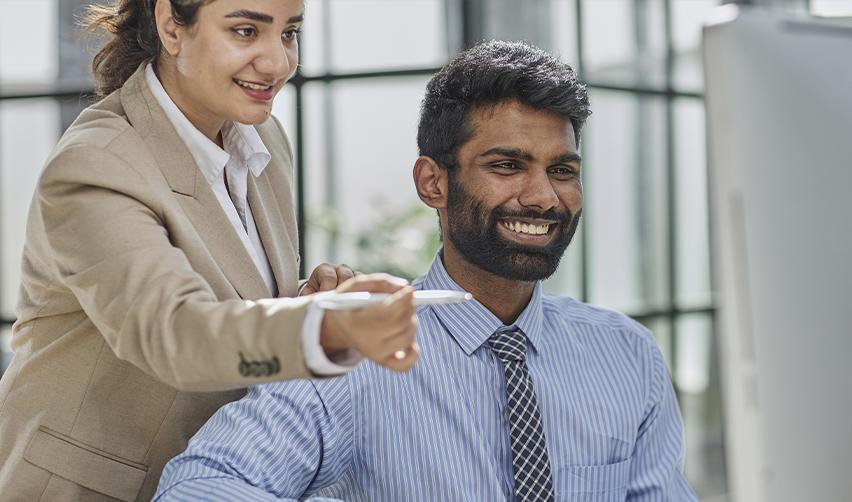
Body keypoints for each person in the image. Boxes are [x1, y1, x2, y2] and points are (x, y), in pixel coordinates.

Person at [154, 40, 698, 501]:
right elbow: (199, 487)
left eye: (562, 170)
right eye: (507, 165)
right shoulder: (353, 351)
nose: (542, 197)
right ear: (432, 183)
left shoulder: (627, 355)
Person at [0, 1, 419, 500]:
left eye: (289, 34)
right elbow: (175, 333)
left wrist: (310, 302)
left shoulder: (261, 137)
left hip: (220, 480)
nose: (278, 62)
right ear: (171, 26)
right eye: (245, 31)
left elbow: (233, 297)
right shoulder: (98, 164)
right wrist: (324, 328)